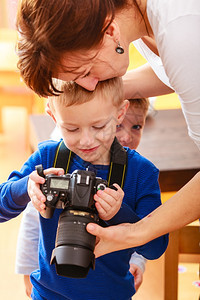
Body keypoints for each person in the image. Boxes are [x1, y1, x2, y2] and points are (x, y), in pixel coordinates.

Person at [16, 0, 200, 250]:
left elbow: (185, 58)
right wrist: (95, 104)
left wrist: (138, 231)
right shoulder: (136, 21)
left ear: (109, 31)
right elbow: (173, 70)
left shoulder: (182, 31)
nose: (89, 85)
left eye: (86, 71)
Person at [0, 78, 168, 300]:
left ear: (120, 113)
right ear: (52, 115)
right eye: (71, 129)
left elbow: (156, 247)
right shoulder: (48, 157)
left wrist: (120, 214)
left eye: (99, 126)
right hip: (47, 294)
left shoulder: (141, 173)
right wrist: (27, 187)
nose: (86, 140)